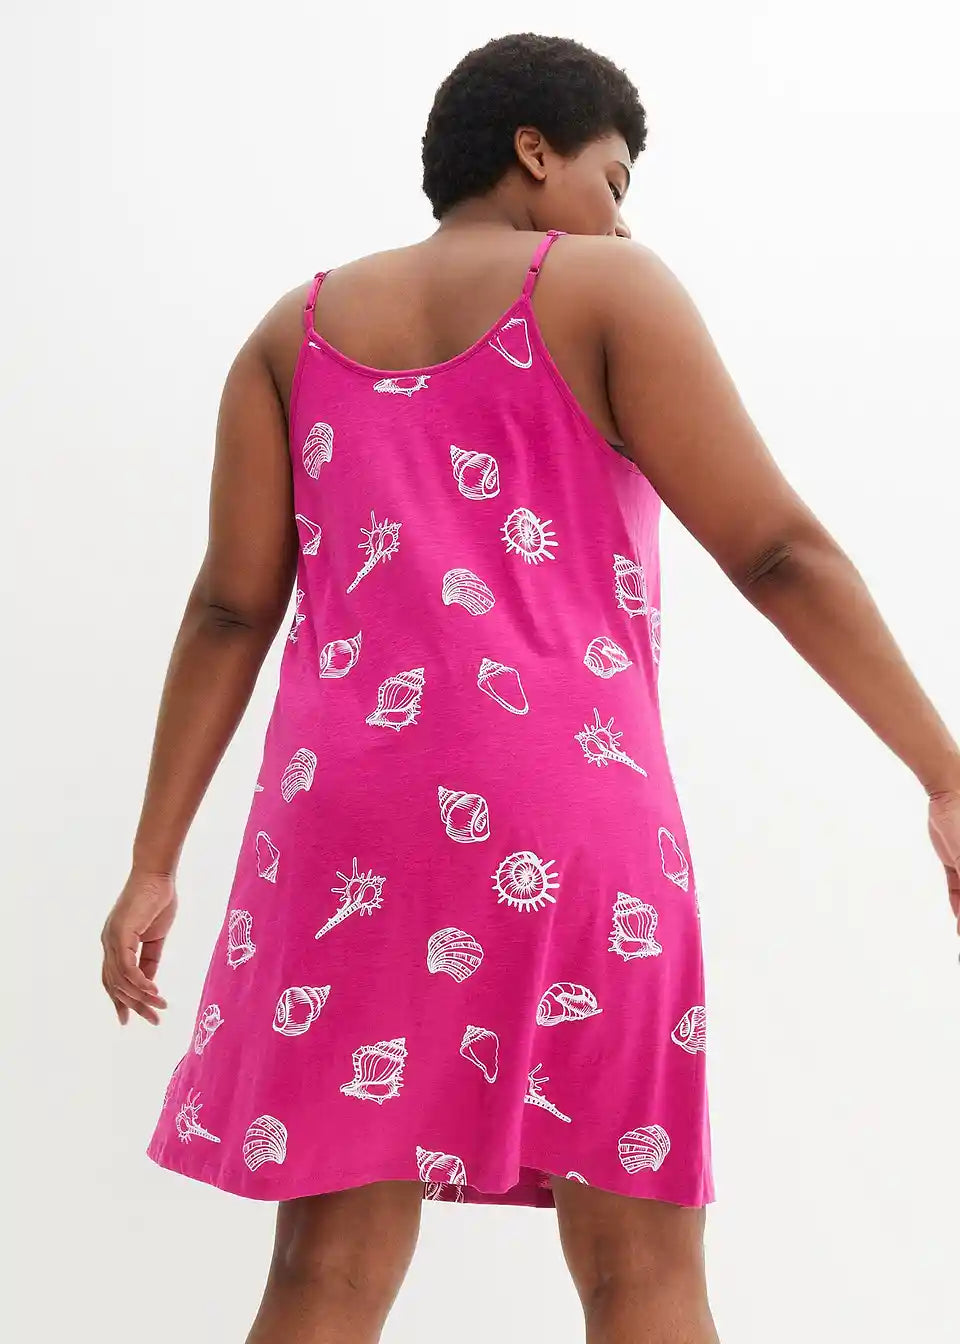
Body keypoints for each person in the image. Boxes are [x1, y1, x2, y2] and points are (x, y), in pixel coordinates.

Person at [99, 30, 960, 1344]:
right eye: (613, 180)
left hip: (347, 828)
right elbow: (779, 553)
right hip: (566, 813)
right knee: (640, 1268)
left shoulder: (291, 332)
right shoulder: (608, 290)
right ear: (534, 150)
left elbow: (228, 608)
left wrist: (153, 862)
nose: (621, 218)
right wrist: (943, 770)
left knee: (322, 1272)